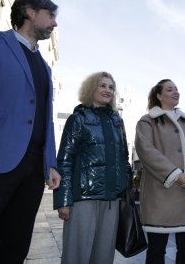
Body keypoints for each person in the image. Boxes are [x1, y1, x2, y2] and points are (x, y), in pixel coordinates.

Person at [0, 0, 61, 263]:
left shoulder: (45, 67)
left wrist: (51, 163)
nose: (55, 23)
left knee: (15, 247)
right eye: (51, 15)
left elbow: (45, 118)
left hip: (31, 172)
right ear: (30, 12)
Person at [54, 71, 132, 263]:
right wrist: (63, 200)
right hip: (83, 199)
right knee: (76, 255)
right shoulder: (78, 119)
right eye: (102, 85)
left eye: (111, 87)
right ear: (91, 89)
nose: (108, 90)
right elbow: (65, 160)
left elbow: (124, 158)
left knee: (104, 256)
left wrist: (126, 190)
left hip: (112, 200)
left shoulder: (117, 122)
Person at [135, 79, 185, 264]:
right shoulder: (147, 121)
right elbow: (146, 150)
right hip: (160, 196)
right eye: (170, 89)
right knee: (156, 250)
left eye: (176, 89)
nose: (175, 92)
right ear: (159, 96)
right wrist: (176, 175)